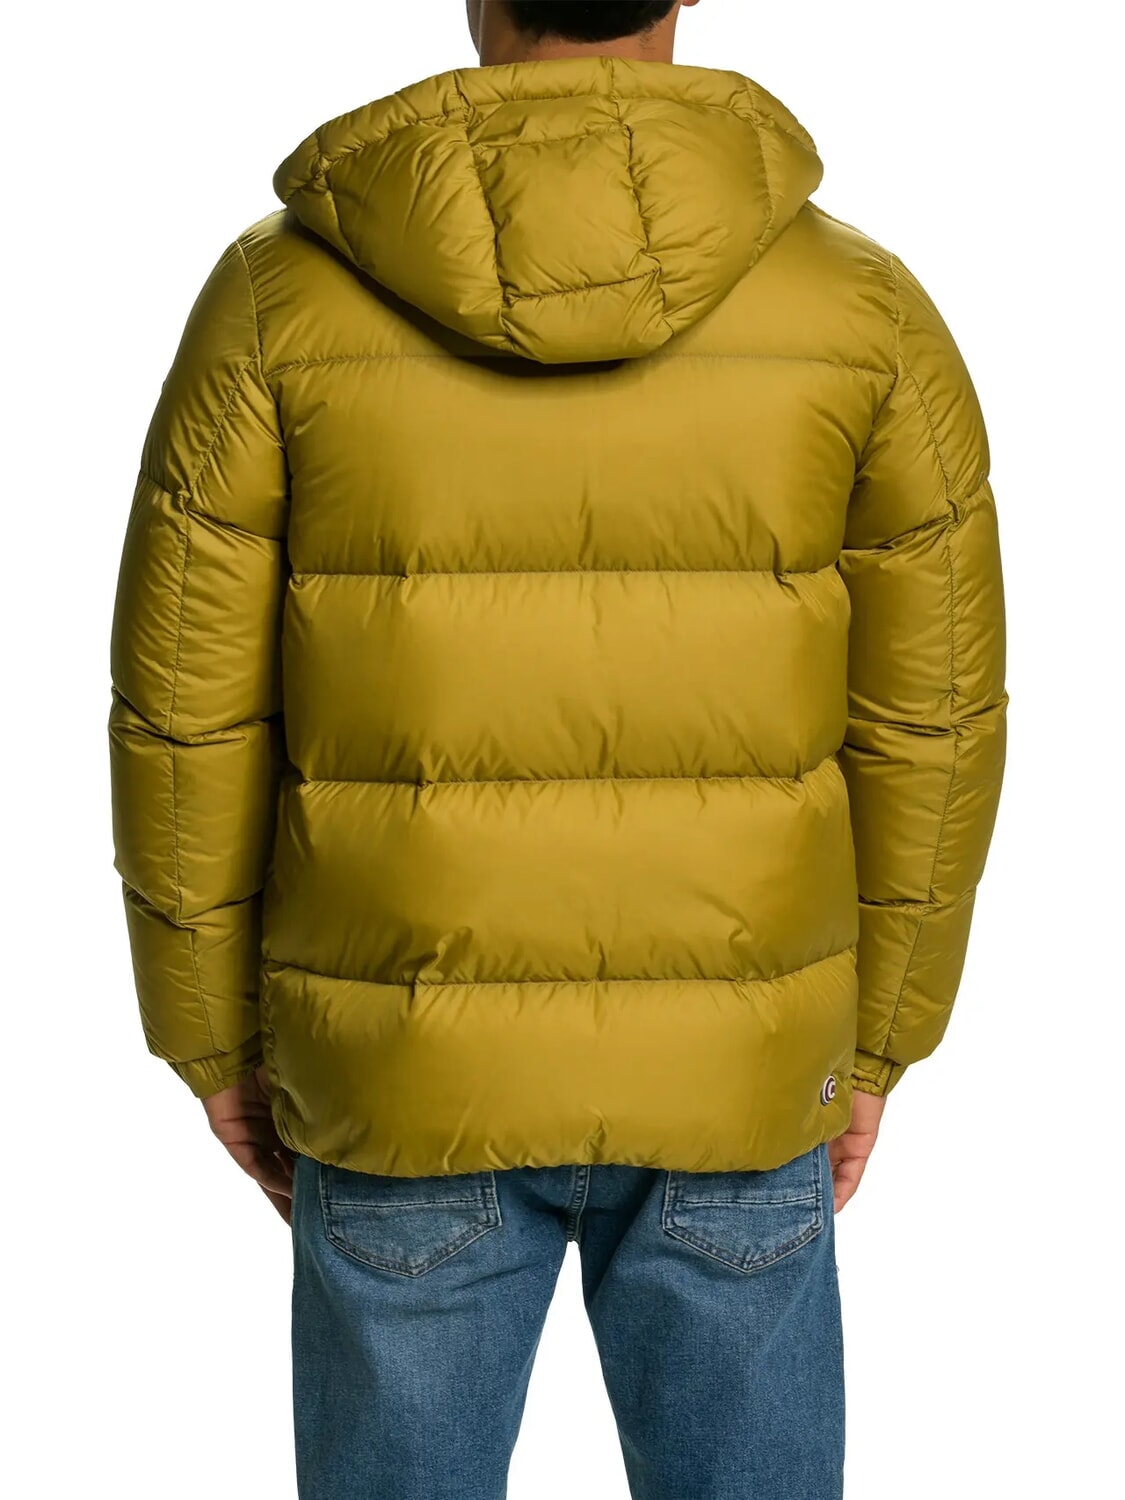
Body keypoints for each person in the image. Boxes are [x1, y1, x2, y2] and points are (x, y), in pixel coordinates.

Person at [107, 1, 1007, 1495]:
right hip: (739, 1066)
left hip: (402, 1061)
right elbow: (936, 724)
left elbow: (184, 712)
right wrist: (874, 1047)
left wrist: (210, 1035)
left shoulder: (275, 303)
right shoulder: (864, 311)